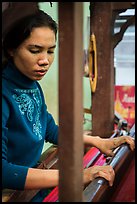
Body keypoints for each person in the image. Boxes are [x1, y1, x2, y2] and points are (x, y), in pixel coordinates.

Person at [2, 9, 135, 202]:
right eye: (35, 50)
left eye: (50, 51)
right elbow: (4, 172)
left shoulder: (32, 86)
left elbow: (50, 131)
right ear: (11, 49)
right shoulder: (4, 92)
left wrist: (98, 141)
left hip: (30, 193)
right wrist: (76, 177)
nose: (45, 61)